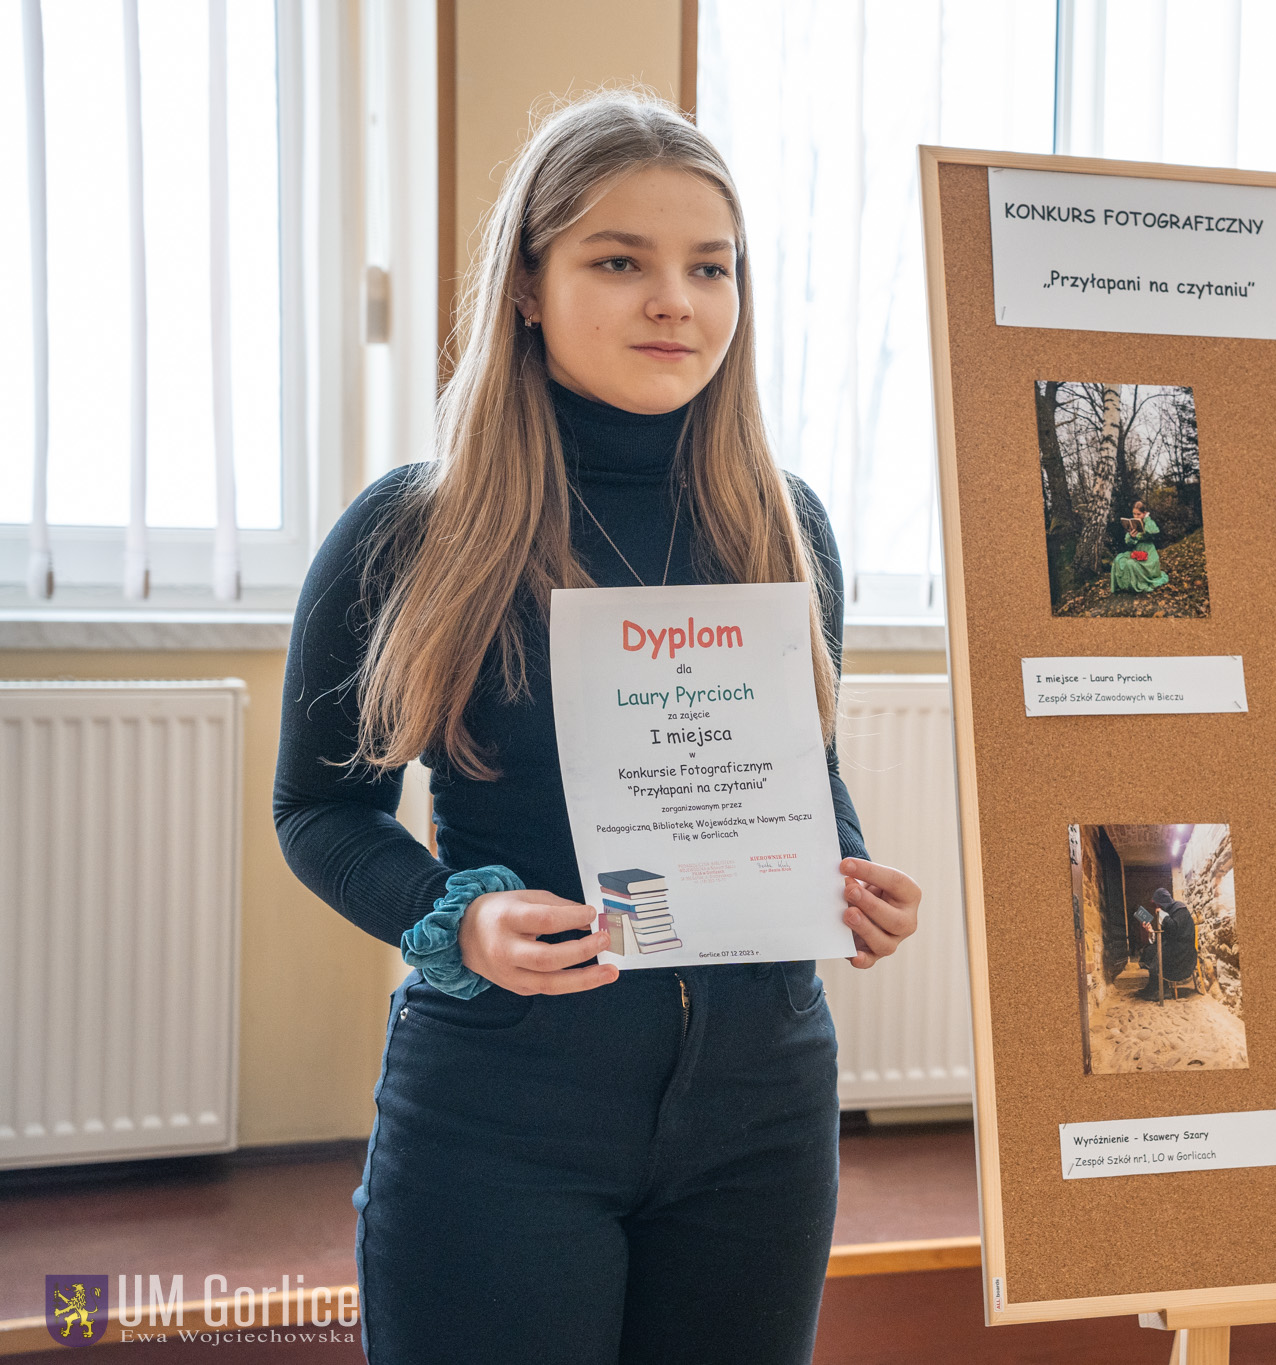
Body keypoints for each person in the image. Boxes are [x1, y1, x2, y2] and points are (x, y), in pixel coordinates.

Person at [272, 91, 924, 1365]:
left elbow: (807, 773)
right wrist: (454, 916)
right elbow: (321, 809)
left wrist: (846, 874)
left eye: (708, 266)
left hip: (763, 1108)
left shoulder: (782, 522)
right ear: (527, 285)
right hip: (504, 1105)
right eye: (618, 261)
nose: (673, 300)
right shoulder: (415, 528)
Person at [1109, 499, 1170, 594]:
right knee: (1118, 559)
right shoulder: (1133, 524)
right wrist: (1132, 537)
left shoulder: (1149, 522)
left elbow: (1153, 531)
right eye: (1134, 514)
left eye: (1139, 514)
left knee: (1130, 564)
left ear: (1144, 513)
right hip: (1136, 551)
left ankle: (1135, 586)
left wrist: (1146, 518)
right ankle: (1125, 586)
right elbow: (1128, 542)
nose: (1136, 516)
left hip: (1148, 554)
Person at [1150, 886, 1199, 1000]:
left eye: (1159, 904)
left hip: (1183, 951)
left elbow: (1174, 928)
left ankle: (1163, 990)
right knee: (1149, 951)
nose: (1158, 907)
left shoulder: (1179, 909)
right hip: (1175, 946)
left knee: (1158, 955)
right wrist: (1151, 931)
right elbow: (1165, 934)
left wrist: (1162, 915)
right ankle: (1155, 988)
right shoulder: (1169, 911)